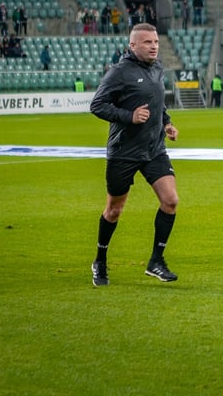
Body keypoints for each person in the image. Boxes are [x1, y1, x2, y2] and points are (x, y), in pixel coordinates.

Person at [89, 23, 180, 286]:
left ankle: (156, 261)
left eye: (156, 42)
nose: (154, 46)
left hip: (153, 149)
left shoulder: (157, 68)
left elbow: (157, 102)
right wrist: (129, 117)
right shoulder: (119, 73)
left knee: (171, 200)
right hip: (124, 151)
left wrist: (166, 123)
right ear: (132, 46)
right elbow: (97, 105)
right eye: (147, 42)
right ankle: (100, 261)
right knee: (114, 210)